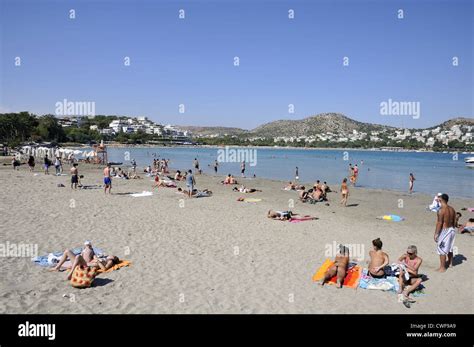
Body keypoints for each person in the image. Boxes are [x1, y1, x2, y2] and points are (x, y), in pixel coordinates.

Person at [434, 193, 456, 272]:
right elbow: (454, 221)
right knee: (450, 248)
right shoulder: (452, 209)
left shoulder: (441, 210)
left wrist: (436, 234)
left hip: (445, 231)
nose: (438, 199)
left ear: (441, 199)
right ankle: (450, 264)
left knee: (441, 249)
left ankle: (442, 268)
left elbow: (439, 223)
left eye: (439, 198)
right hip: (452, 230)